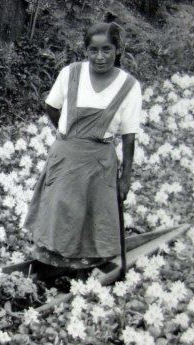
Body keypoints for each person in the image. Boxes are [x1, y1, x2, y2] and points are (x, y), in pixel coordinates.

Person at [23, 22, 142, 272]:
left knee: (93, 215)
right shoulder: (71, 73)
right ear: (86, 51)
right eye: (93, 50)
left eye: (107, 50)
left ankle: (85, 267)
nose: (100, 57)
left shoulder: (128, 86)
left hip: (99, 160)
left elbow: (129, 135)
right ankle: (51, 266)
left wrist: (126, 177)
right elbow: (51, 106)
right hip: (66, 156)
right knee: (60, 210)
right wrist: (68, 137)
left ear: (117, 50)